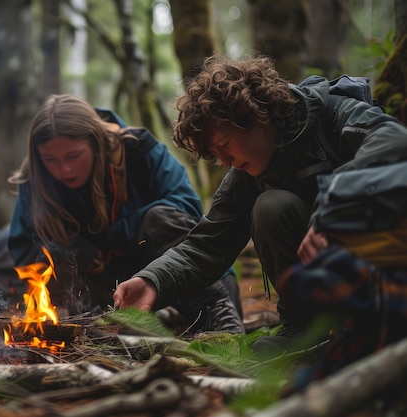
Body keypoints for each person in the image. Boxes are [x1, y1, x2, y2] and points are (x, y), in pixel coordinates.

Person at [112, 53, 407, 352]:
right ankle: (303, 327)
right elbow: (206, 245)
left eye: (225, 145)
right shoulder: (248, 174)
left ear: (255, 116)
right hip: (335, 284)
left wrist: (333, 207)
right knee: (272, 206)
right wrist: (152, 281)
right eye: (217, 154)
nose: (225, 161)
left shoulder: (332, 113)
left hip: (388, 268)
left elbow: (395, 140)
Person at [7, 94, 243, 334]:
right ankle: (137, 323)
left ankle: (213, 321)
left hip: (195, 283)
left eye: (73, 156)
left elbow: (187, 211)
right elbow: (22, 247)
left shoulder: (139, 149)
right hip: (109, 292)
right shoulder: (36, 178)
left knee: (158, 220)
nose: (64, 169)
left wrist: (119, 233)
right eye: (50, 160)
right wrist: (70, 251)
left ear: (96, 143)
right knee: (55, 257)